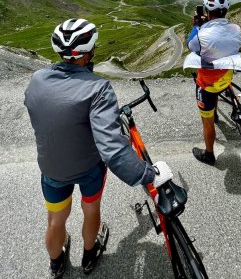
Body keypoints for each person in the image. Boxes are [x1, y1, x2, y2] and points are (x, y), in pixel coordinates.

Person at [24, 18, 172, 278]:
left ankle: (56, 262)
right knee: (90, 210)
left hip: (52, 168)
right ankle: (89, 255)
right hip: (89, 168)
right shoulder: (98, 88)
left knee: (56, 219)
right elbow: (112, 149)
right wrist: (149, 174)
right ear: (89, 52)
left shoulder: (37, 79)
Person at [184, 0, 241, 165]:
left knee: (207, 122)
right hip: (226, 78)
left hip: (208, 86)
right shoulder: (237, 30)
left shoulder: (201, 35)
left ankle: (209, 154)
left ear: (207, 12)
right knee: (219, 86)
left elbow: (191, 46)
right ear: (226, 10)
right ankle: (217, 111)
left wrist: (196, 25)